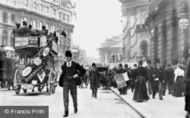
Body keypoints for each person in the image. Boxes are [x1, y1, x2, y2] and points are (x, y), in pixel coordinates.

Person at [59, 50, 86, 117]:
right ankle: (66, 111)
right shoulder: (63, 66)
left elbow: (83, 70)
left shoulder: (75, 64)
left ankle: (75, 107)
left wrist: (77, 75)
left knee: (74, 96)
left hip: (73, 82)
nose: (67, 58)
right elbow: (63, 73)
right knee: (65, 97)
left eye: (68, 57)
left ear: (71, 57)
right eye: (66, 57)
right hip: (65, 82)